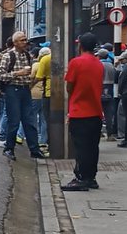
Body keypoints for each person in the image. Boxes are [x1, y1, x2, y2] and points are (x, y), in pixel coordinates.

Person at [61, 33, 106, 191]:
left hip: (79, 111)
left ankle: (81, 178)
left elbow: (69, 86)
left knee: (81, 148)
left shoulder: (76, 63)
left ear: (80, 45)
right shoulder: (99, 64)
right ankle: (91, 177)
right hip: (96, 111)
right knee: (93, 147)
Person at [0, 31, 46, 160]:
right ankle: (9, 148)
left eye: (25, 40)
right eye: (22, 40)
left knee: (30, 121)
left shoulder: (28, 56)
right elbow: (1, 76)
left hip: (25, 89)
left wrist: (31, 79)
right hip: (13, 90)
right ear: (15, 42)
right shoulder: (8, 56)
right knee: (14, 121)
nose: (25, 42)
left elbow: (29, 75)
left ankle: (34, 149)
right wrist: (18, 73)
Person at [31, 46, 52, 149]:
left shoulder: (44, 60)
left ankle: (36, 139)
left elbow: (38, 77)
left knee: (34, 117)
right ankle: (44, 140)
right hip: (56, 92)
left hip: (46, 92)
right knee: (44, 119)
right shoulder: (54, 58)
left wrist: (30, 85)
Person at [98, 49, 118, 140]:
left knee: (98, 113)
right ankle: (110, 134)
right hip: (110, 90)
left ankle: (99, 132)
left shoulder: (98, 65)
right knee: (109, 114)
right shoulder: (111, 66)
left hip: (99, 89)